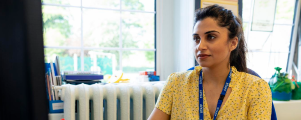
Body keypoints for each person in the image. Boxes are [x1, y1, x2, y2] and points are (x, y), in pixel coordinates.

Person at [148, 4, 272, 120]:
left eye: (211, 37)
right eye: (196, 39)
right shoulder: (175, 83)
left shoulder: (256, 88)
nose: (200, 46)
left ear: (233, 43)